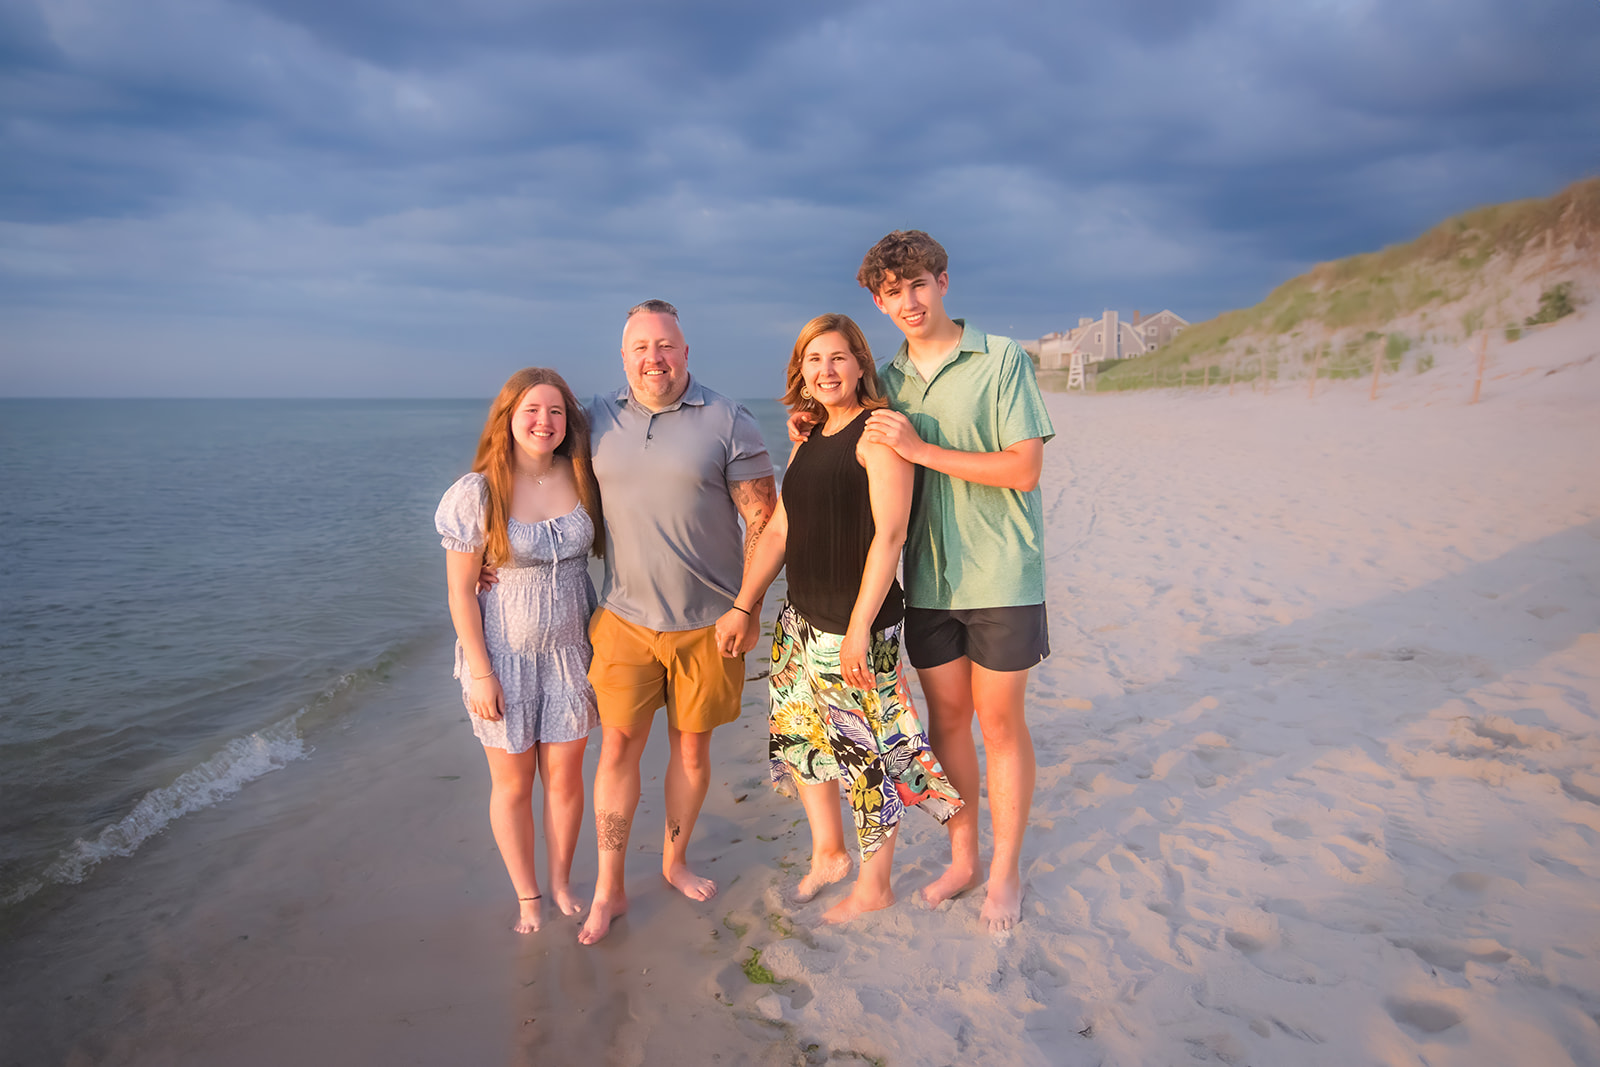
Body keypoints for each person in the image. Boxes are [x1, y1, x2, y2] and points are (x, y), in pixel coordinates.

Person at [794, 231, 1055, 932]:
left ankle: (1006, 871)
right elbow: (844, 428)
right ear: (877, 303)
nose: (907, 301)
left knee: (1000, 724)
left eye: (917, 284)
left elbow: (1024, 469)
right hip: (929, 582)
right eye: (890, 291)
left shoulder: (1000, 359)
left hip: (1001, 574)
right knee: (948, 727)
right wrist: (808, 424)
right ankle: (963, 858)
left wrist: (920, 447)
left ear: (942, 281)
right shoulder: (889, 381)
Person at [715, 314, 962, 924]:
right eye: (812, 360)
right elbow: (780, 528)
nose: (825, 371)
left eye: (837, 358)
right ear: (800, 371)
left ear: (860, 366)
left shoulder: (878, 436)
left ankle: (876, 884)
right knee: (802, 741)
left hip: (858, 626)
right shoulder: (808, 438)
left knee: (867, 758)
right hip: (799, 619)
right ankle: (829, 854)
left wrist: (858, 629)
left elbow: (891, 536)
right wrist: (746, 604)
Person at [578, 300, 776, 944]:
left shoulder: (727, 419)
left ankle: (673, 860)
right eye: (640, 347)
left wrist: (747, 607)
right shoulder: (594, 420)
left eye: (665, 346)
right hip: (624, 620)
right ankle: (609, 884)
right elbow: (534, 475)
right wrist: (493, 552)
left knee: (691, 750)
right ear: (624, 356)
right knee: (618, 748)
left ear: (685, 351)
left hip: (709, 625)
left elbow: (764, 521)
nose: (653, 358)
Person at [435, 367, 605, 934]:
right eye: (532, 410)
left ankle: (559, 880)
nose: (544, 421)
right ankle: (527, 895)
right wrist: (480, 673)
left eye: (556, 411)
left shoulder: (585, 476)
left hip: (571, 657)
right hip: (502, 660)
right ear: (507, 417)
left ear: (568, 421)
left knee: (565, 780)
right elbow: (461, 591)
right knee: (512, 785)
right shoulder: (478, 491)